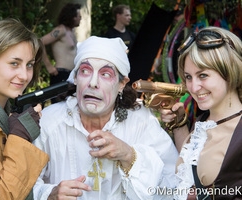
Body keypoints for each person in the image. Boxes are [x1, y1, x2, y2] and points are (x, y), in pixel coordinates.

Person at [33, 36, 178, 200]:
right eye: (85, 71)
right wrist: (48, 194)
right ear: (75, 78)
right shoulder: (49, 121)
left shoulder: (142, 122)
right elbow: (19, 186)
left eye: (106, 74)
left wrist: (130, 156)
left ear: (122, 84)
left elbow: (174, 188)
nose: (93, 82)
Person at [160, 26, 242, 200]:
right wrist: (180, 125)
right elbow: (192, 170)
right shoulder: (204, 121)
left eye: (203, 75)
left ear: (229, 71)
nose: (194, 88)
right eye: (188, 77)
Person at [0, 18, 49, 199]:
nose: (24, 75)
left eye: (29, 64)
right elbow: (0, 196)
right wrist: (20, 136)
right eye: (14, 63)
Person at [41, 3, 81, 103]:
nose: (81, 18)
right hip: (60, 75)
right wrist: (49, 65)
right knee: (58, 108)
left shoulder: (71, 31)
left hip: (71, 75)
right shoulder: (61, 30)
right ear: (72, 16)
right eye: (79, 16)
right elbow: (40, 42)